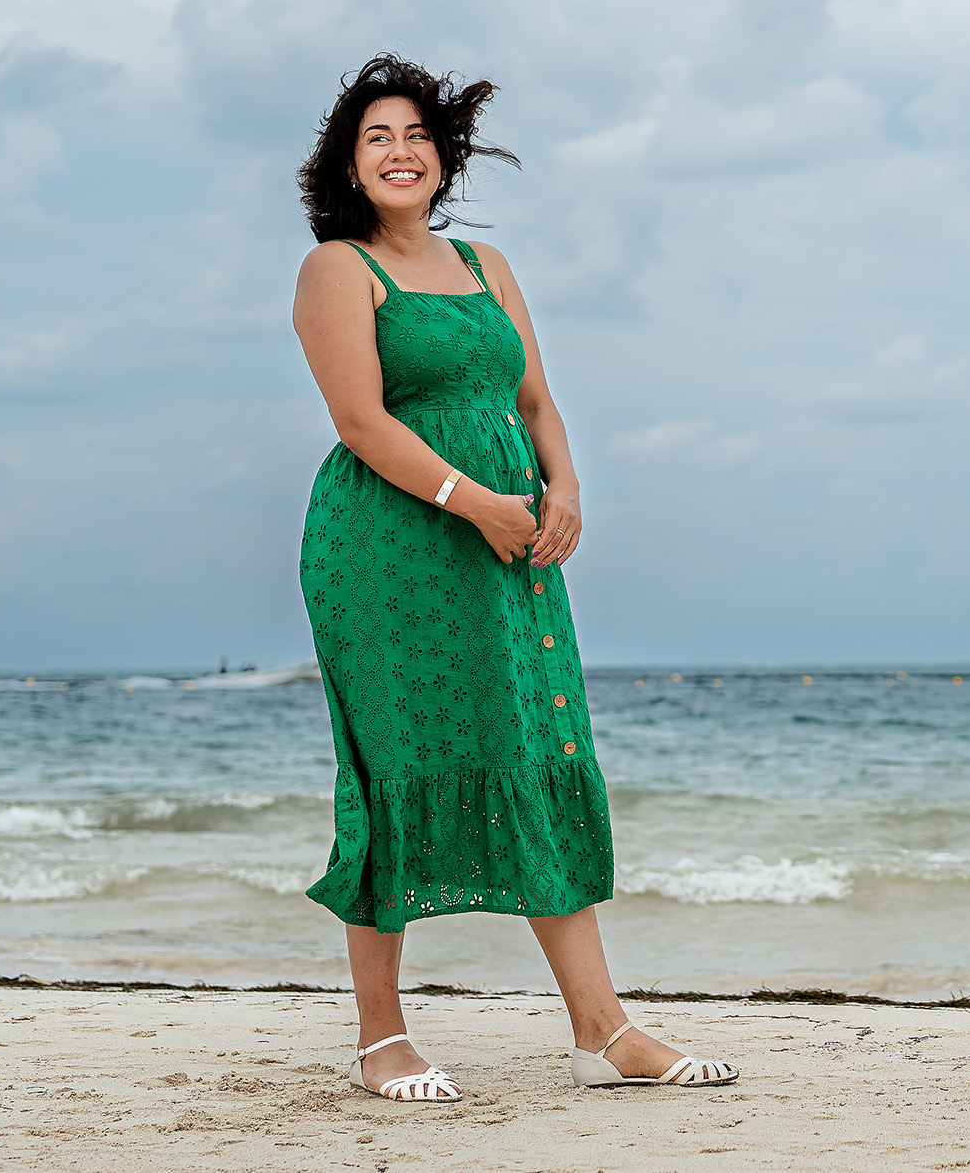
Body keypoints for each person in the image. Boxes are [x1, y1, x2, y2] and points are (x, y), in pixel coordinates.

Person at [292, 55, 737, 1103]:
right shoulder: (337, 270)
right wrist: (472, 498)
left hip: (509, 546)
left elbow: (535, 401)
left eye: (414, 135)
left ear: (443, 155)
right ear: (348, 167)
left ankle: (601, 1029)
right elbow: (360, 422)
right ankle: (381, 1037)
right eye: (376, 138)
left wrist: (564, 484)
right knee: (397, 763)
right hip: (391, 550)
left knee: (537, 746)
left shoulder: (488, 265)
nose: (400, 152)